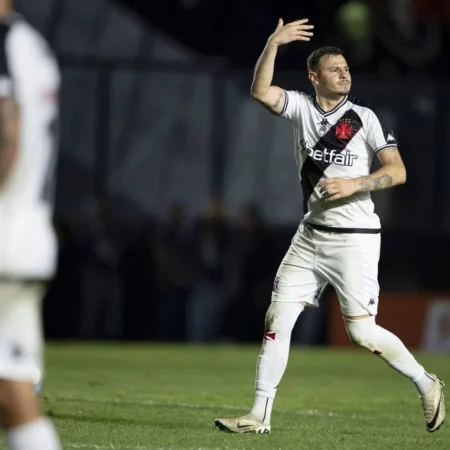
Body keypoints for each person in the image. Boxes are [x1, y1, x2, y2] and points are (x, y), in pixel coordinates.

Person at [214, 18, 445, 434]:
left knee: (361, 332)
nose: (344, 73)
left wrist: (356, 182)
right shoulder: (301, 107)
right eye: (335, 69)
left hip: (354, 241)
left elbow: (399, 170)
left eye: (346, 68)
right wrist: (272, 43)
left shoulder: (363, 118)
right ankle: (259, 415)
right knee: (276, 319)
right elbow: (260, 92)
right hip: (309, 236)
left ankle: (425, 383)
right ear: (313, 77)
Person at [0, 1, 62, 448]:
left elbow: (7, 135)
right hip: (27, 235)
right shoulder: (32, 44)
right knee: (14, 394)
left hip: (4, 232)